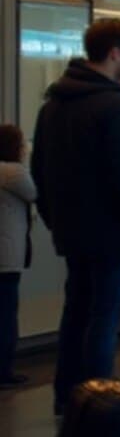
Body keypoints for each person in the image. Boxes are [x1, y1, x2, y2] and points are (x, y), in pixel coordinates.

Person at [32, 17, 120, 415]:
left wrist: (54, 218)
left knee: (76, 312)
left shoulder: (53, 106)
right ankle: (99, 401)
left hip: (71, 229)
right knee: (104, 317)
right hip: (111, 231)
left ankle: (67, 395)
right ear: (115, 52)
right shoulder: (116, 107)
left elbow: (38, 169)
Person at [0, 125, 35, 387]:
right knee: (7, 314)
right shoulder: (13, 172)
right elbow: (34, 193)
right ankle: (5, 371)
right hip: (7, 255)